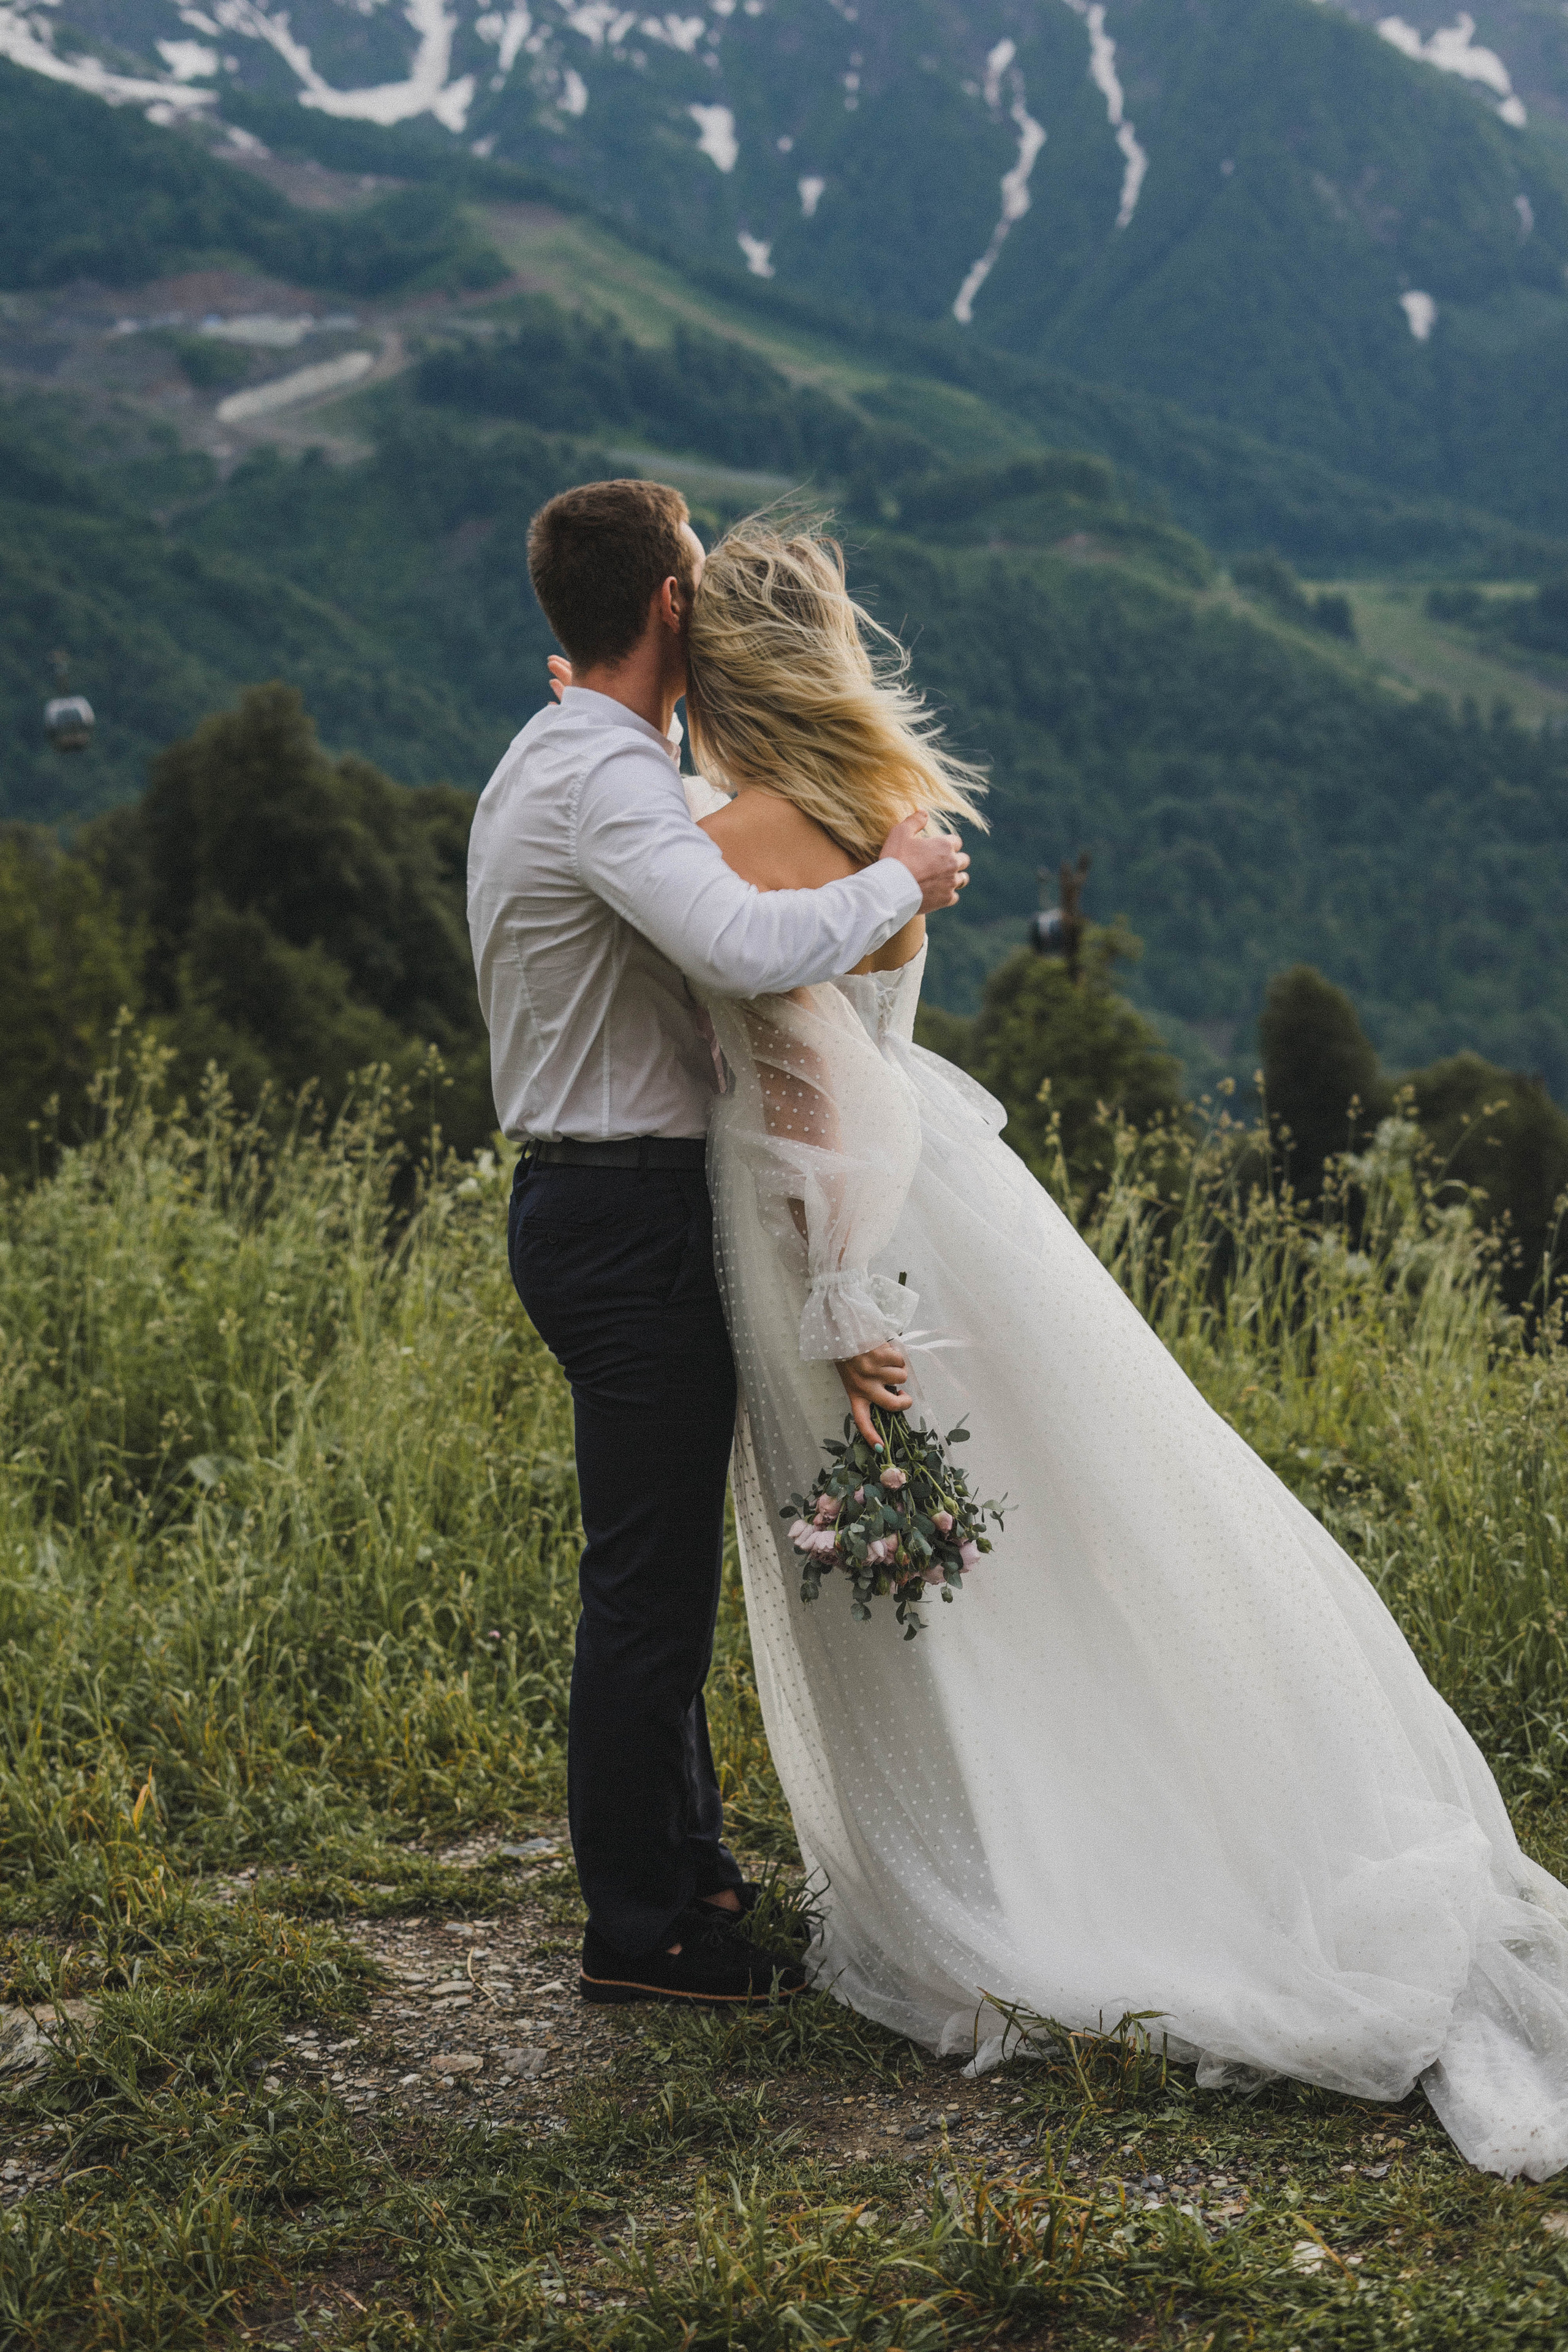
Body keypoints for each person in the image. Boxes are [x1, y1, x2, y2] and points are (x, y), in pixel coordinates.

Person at [683, 513, 1568, 2180]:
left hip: (837, 1222)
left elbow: (811, 1091)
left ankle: (987, 1887)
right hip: (953, 1192)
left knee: (909, 1571)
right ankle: (1067, 1828)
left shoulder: (734, 841)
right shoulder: (895, 813)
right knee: (1039, 1551)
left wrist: (843, 1300)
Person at [466, 478, 970, 2007]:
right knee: (644, 1585)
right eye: (697, 574)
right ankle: (641, 1932)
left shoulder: (587, 757)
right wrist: (904, 880)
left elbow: (683, 854)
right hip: (622, 1214)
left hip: (611, 1204)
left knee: (660, 1567)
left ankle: (688, 1872)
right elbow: (738, 942)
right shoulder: (601, 778)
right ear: (671, 604)